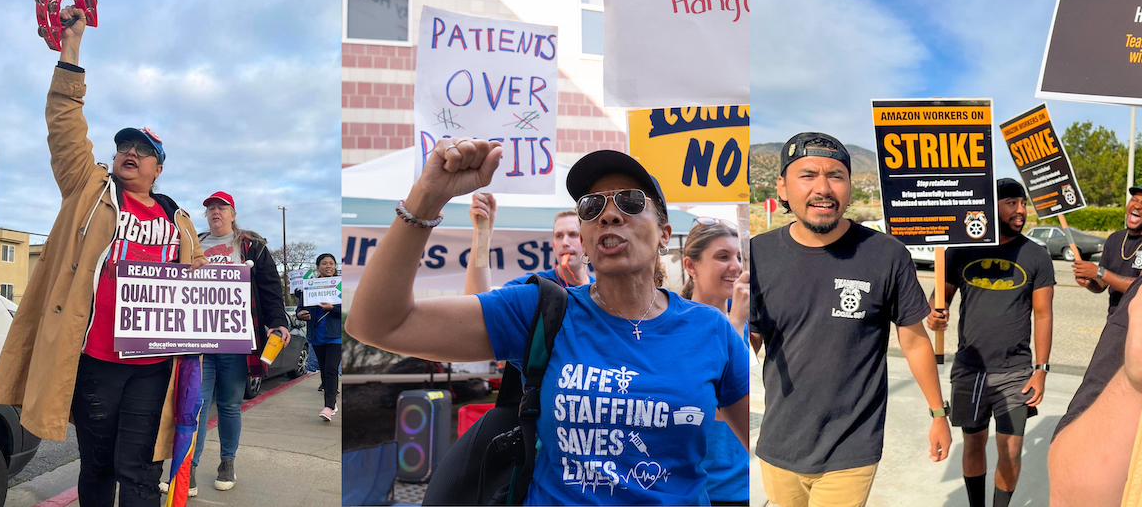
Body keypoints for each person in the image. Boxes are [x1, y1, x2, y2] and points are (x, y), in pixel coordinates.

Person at [346, 140, 750, 504]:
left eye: (628, 201)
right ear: (587, 238)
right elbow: (379, 324)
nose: (608, 214)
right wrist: (426, 197)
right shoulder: (537, 310)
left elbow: (764, 448)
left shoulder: (710, 330)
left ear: (664, 233)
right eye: (592, 206)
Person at [0, 5, 207, 507]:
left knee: (139, 470)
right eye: (124, 144)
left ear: (159, 167)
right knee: (99, 464)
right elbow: (65, 126)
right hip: (97, 360)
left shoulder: (179, 221)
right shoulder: (88, 190)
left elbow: (198, 291)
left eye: (143, 148)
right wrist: (71, 49)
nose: (130, 151)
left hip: (154, 365)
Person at [750, 132, 951, 507]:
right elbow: (752, 338)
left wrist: (939, 413)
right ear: (782, 185)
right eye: (808, 175)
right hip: (779, 440)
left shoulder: (886, 254)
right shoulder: (756, 255)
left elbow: (914, 339)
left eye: (836, 176)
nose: (823, 188)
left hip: (851, 444)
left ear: (850, 187)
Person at [926, 179, 1054, 507]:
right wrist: (935, 315)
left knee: (1010, 449)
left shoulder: (1035, 254)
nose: (1021, 210)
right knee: (973, 445)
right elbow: (940, 300)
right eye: (1011, 203)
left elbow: (1043, 315)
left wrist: (1041, 369)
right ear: (990, 206)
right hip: (970, 369)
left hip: (1015, 371)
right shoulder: (960, 249)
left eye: (1022, 203)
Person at [169, 191, 289, 495]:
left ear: (233, 213)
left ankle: (227, 462)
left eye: (221, 207)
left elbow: (270, 288)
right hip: (197, 342)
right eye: (209, 208)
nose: (215, 212)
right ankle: (189, 469)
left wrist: (278, 322)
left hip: (235, 343)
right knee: (194, 407)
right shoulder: (191, 243)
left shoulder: (252, 247)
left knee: (229, 406)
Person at [1049, 265, 1142, 505]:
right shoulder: (1119, 243)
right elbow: (1070, 494)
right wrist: (1134, 380)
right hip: (1141, 335)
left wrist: (1100, 272)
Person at [679, 218, 750, 506]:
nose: (735, 266)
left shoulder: (751, 324)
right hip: (708, 490)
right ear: (691, 266)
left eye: (739, 257)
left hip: (750, 484)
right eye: (722, 257)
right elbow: (714, 407)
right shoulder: (675, 327)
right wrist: (734, 323)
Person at [1072, 182, 1142, 315]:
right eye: (1134, 200)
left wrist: (1100, 272)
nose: (1137, 205)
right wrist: (1088, 281)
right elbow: (1101, 285)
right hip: (1114, 319)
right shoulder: (1115, 239)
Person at [464, 193, 593, 292]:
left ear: (585, 243)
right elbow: (479, 301)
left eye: (573, 234)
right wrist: (482, 232)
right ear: (553, 246)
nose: (565, 242)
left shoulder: (600, 290)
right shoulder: (533, 286)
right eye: (559, 236)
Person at [298, 253, 341, 421]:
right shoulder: (309, 287)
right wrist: (301, 314)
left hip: (336, 335)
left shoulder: (341, 286)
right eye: (324, 263)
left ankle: (329, 406)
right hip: (317, 335)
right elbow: (300, 308)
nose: (328, 266)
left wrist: (333, 308)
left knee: (331, 368)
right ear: (318, 267)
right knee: (324, 369)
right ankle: (332, 402)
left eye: (331, 263)